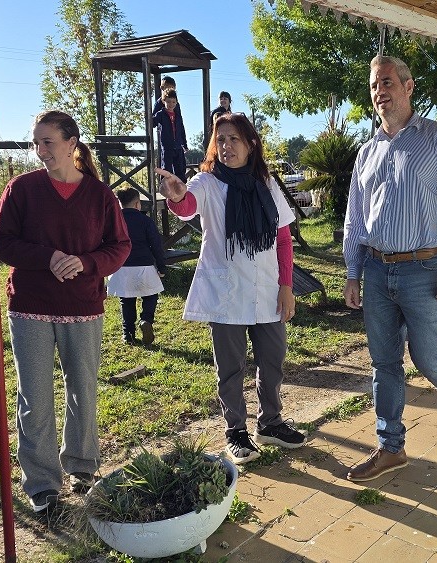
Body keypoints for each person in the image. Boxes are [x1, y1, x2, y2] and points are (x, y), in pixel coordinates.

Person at [342, 55, 437, 482]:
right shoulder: (366, 152)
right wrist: (352, 271)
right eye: (374, 86)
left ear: (408, 86)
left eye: (386, 83)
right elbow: (356, 218)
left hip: (427, 269)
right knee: (384, 362)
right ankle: (390, 447)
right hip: (378, 273)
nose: (379, 92)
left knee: (430, 360)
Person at [0, 110, 131, 513]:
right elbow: (3, 242)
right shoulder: (21, 189)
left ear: (72, 144)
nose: (40, 150)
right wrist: (49, 257)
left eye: (47, 142)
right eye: (36, 142)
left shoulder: (100, 195)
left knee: (83, 390)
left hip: (83, 307)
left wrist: (87, 263)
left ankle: (82, 466)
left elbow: (119, 246)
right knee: (35, 396)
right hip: (31, 307)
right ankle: (41, 485)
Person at [156, 112, 307, 465]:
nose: (225, 146)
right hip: (226, 292)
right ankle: (235, 431)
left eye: (233, 139)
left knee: (273, 360)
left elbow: (283, 239)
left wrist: (286, 286)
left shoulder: (265, 184)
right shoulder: (206, 182)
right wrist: (176, 196)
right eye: (220, 140)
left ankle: (270, 422)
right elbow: (188, 204)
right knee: (231, 365)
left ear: (250, 143)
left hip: (267, 288)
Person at [107, 187, 167, 345]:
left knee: (126, 301)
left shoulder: (113, 220)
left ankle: (128, 334)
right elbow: (156, 246)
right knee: (151, 295)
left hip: (121, 265)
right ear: (137, 204)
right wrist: (161, 267)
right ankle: (146, 319)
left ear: (120, 204)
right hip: (144, 265)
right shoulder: (146, 221)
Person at [153, 87, 189, 181]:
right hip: (167, 147)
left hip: (178, 146)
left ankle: (181, 191)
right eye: (168, 102)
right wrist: (147, 116)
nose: (171, 104)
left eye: (173, 102)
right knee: (167, 169)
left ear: (176, 102)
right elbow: (152, 123)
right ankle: (167, 190)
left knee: (180, 169)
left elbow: (182, 130)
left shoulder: (178, 115)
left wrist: (184, 144)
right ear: (164, 101)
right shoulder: (160, 114)